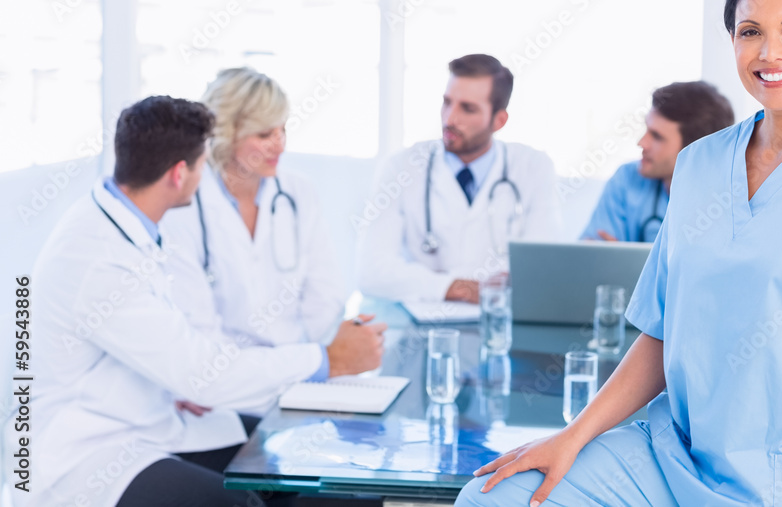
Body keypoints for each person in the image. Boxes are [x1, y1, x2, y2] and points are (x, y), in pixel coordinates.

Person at [456, 0, 782, 506]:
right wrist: (573, 436)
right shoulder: (700, 165)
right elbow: (661, 333)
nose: (770, 53)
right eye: (750, 32)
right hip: (671, 452)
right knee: (493, 497)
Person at [9, 96, 382, 507]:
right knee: (242, 504)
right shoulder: (97, 257)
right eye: (204, 165)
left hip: (152, 416)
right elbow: (204, 372)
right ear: (178, 173)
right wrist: (328, 359)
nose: (208, 176)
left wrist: (179, 379)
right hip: (84, 453)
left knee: (309, 477)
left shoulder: (131, 221)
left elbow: (176, 351)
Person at [161, 67, 384, 359]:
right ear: (227, 134)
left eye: (283, 130)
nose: (280, 144)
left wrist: (316, 357)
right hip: (224, 378)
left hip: (300, 367)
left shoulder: (298, 192)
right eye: (265, 134)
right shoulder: (187, 204)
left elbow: (324, 296)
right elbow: (195, 321)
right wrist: (259, 372)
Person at [357, 54, 560, 303]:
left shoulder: (533, 167)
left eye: (468, 108)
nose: (450, 118)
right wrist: (453, 286)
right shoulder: (402, 167)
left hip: (498, 323)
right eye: (447, 102)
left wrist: (426, 281)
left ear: (499, 120)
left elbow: (541, 269)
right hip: (421, 325)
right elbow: (372, 272)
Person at [580, 81, 733, 242]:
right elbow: (592, 252)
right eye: (647, 129)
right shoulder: (627, 178)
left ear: (694, 150)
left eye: (657, 137)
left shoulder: (727, 201)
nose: (641, 143)